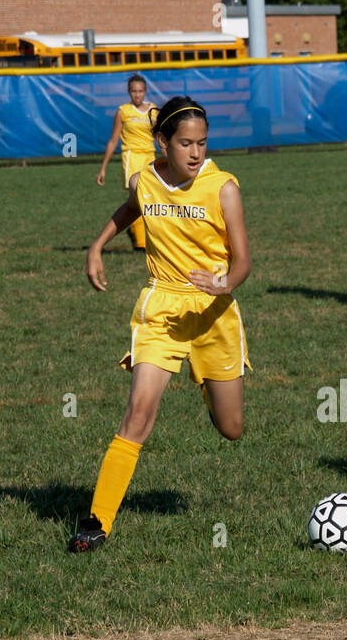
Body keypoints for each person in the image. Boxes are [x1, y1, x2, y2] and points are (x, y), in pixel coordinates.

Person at [70, 97, 250, 552]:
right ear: (162, 143)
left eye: (202, 143)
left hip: (213, 312)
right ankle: (97, 522)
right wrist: (97, 246)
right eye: (185, 143)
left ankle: (208, 386)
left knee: (232, 429)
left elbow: (245, 262)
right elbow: (131, 208)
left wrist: (223, 282)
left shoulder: (223, 187)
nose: (195, 153)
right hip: (162, 309)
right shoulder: (146, 181)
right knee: (138, 413)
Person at [97, 75, 157, 250]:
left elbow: (161, 137)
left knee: (152, 196)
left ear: (145, 91)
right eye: (133, 91)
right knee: (138, 196)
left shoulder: (153, 111)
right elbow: (113, 140)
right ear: (129, 92)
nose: (137, 95)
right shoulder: (123, 111)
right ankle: (140, 240)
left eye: (140, 91)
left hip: (150, 156)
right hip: (132, 156)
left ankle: (139, 232)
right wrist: (103, 169)